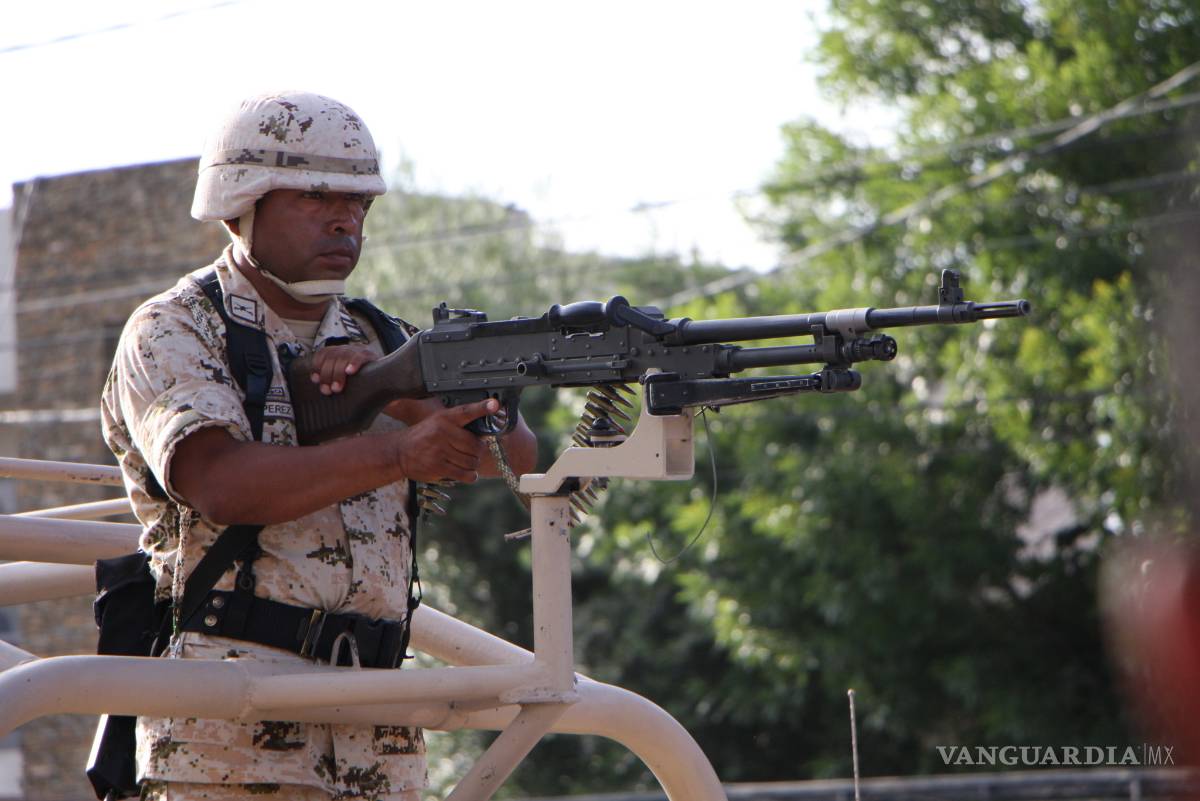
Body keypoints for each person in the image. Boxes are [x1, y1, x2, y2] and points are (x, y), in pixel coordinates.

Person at [100, 90, 537, 801]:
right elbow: (221, 482)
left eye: (361, 202)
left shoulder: (381, 335)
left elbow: (513, 462)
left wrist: (446, 401)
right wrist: (398, 452)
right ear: (241, 198)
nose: (346, 218)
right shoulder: (176, 328)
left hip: (376, 730)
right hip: (230, 726)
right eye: (316, 196)